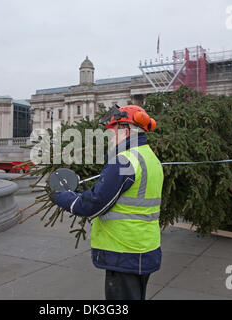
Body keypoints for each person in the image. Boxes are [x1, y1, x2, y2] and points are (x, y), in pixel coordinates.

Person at [50, 105, 164, 300]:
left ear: (125, 130)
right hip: (145, 247)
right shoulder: (150, 158)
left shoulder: (124, 161)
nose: (110, 137)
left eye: (113, 132)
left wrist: (61, 196)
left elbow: (93, 204)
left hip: (123, 251)